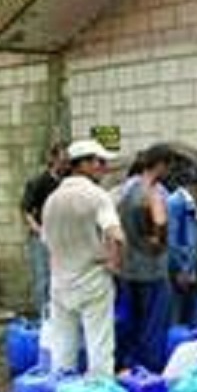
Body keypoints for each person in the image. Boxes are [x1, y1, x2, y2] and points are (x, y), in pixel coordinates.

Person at [42, 139, 125, 378]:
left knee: (63, 350)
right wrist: (115, 264)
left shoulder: (52, 200)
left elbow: (47, 243)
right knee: (99, 347)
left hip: (60, 282)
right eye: (99, 162)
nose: (103, 167)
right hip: (92, 280)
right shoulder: (97, 196)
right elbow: (117, 236)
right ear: (83, 164)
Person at [116, 143, 176, 372]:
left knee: (131, 322)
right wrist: (159, 240)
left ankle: (129, 369)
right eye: (168, 166)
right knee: (154, 325)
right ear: (160, 165)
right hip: (152, 269)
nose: (169, 172)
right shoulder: (155, 191)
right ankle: (150, 372)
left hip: (128, 267)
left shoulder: (126, 188)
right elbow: (160, 221)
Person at [20, 142, 69, 318]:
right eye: (63, 160)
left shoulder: (69, 181)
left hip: (65, 237)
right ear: (53, 159)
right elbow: (26, 211)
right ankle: (44, 316)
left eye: (68, 161)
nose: (66, 165)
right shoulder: (38, 182)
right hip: (43, 237)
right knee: (43, 278)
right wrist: (39, 231)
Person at [167, 167, 197, 327]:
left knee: (193, 315)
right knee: (177, 315)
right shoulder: (175, 202)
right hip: (181, 270)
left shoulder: (193, 204)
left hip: (192, 268)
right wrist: (181, 269)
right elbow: (172, 239)